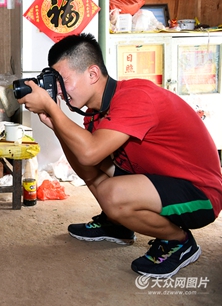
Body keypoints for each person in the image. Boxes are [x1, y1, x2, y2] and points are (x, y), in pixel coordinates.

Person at [17, 33, 222, 278]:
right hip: (157, 181)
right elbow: (86, 162)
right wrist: (55, 124)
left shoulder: (135, 97)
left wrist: (52, 108)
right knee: (95, 173)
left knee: (112, 194)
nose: (58, 92)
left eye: (63, 81)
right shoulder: (95, 114)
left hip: (201, 194)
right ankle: (118, 224)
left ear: (92, 74)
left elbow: (90, 151)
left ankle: (179, 241)